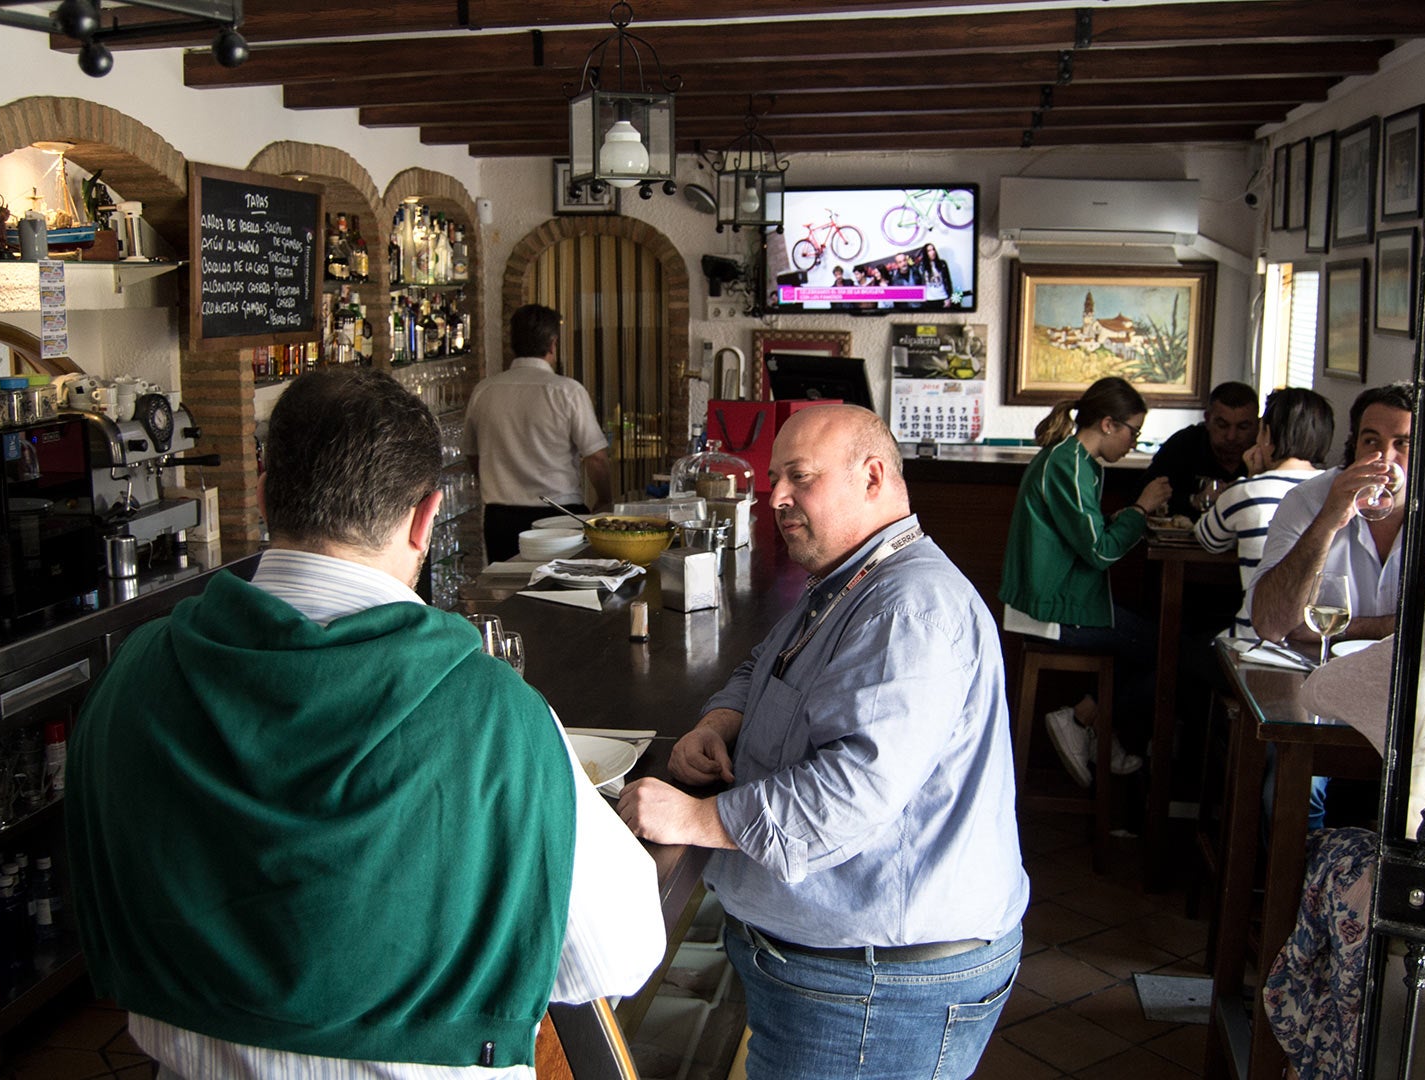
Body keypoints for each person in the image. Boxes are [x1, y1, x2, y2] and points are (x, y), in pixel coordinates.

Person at [68, 367, 664, 1078]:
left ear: (264, 497)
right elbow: (619, 953)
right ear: (426, 518)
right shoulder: (495, 715)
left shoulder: (133, 676)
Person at [617, 405, 1027, 1079]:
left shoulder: (909, 608)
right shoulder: (852, 577)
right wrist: (720, 722)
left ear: (871, 478)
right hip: (849, 972)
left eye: (799, 477)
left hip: (876, 989)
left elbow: (850, 792)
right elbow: (767, 663)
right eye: (775, 477)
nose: (774, 496)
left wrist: (697, 817)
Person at [999, 377, 1172, 787]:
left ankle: (1090, 721)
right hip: (1050, 609)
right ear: (1109, 424)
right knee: (1163, 647)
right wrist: (1140, 510)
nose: (1134, 443)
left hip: (1061, 600)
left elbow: (1080, 534)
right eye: (1134, 432)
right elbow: (1100, 552)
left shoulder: (1077, 462)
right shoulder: (1068, 463)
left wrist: (1122, 517)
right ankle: (1082, 720)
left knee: (1154, 638)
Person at [1251, 382, 1416, 649]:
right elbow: (1271, 625)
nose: (1384, 458)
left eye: (1403, 444)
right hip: (1316, 675)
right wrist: (1328, 521)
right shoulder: (1307, 501)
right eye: (1371, 441)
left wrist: (1351, 627)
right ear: (1354, 446)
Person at [463, 303, 612, 561]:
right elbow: (596, 457)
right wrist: (604, 500)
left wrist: (497, 481)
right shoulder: (567, 391)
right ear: (553, 344)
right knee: (561, 592)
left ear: (513, 343)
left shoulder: (484, 391)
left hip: (501, 518)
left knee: (507, 593)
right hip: (558, 516)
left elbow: (472, 455)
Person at [1196, 387, 1336, 641]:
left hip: (1254, 639)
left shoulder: (1246, 492)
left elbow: (1208, 539)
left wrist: (1252, 478)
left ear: (1267, 435)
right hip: (1317, 637)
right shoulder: (1337, 493)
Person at [1143, 380, 1259, 518]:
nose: (1231, 436)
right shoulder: (1184, 444)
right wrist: (1194, 500)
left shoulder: (1266, 453)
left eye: (1243, 427)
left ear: (1258, 425)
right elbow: (1143, 494)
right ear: (1208, 420)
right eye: (1222, 425)